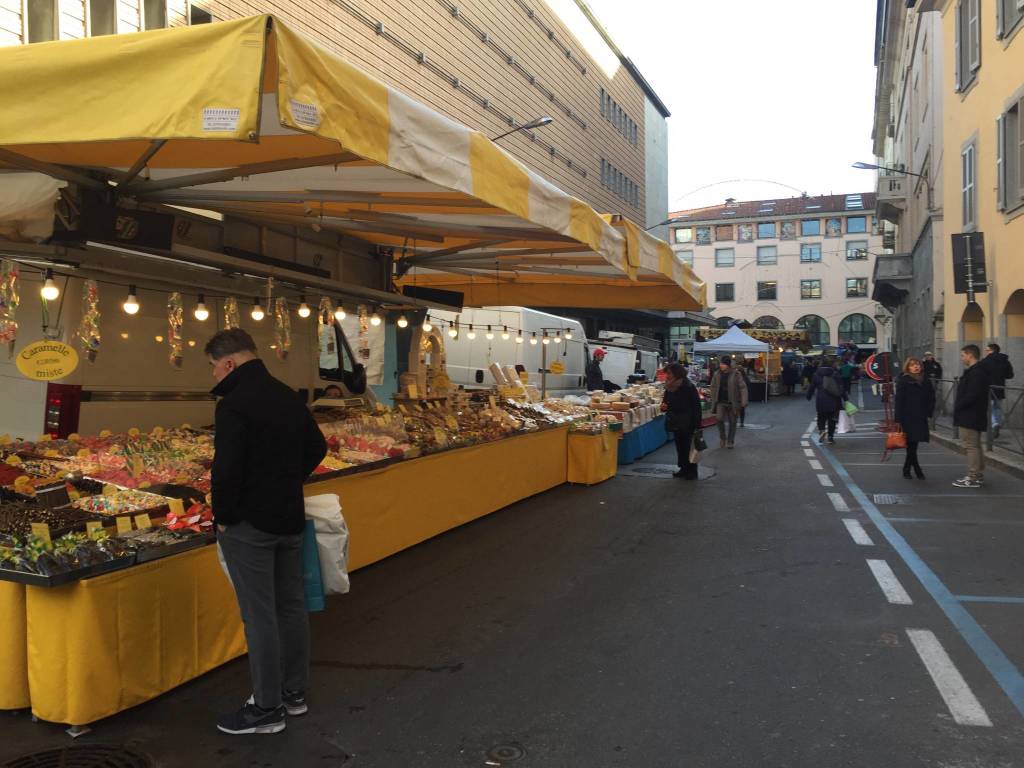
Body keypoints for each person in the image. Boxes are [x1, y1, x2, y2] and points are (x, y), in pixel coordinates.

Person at [206, 329, 328, 735]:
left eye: (213, 368)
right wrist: (286, 481)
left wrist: (223, 515)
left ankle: (266, 708)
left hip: (249, 525)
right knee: (291, 608)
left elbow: (225, 471)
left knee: (259, 616)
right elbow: (318, 448)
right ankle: (294, 694)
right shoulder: (287, 395)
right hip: (288, 518)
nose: (214, 377)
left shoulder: (234, 405)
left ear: (228, 363)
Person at [952, 344, 990, 488]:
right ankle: (978, 475)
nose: (962, 359)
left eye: (963, 355)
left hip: (970, 414)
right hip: (975, 413)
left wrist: (959, 405)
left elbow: (972, 394)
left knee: (971, 446)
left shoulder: (976, 372)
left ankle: (973, 476)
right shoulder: (979, 371)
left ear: (969, 355)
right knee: (976, 445)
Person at [894, 357, 935, 479]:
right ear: (908, 367)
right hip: (908, 417)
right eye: (912, 365)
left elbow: (932, 397)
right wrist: (898, 419)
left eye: (917, 364)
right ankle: (916, 469)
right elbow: (899, 401)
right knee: (911, 444)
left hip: (920, 416)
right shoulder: (904, 380)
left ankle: (908, 468)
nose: (915, 367)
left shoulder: (925, 380)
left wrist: (929, 411)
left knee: (914, 444)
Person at [660, 362, 703, 479]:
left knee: (688, 447)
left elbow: (696, 406)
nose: (667, 375)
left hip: (687, 421)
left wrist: (698, 424)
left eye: (669, 373)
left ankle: (692, 471)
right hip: (675, 420)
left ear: (676, 373)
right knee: (680, 446)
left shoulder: (688, 386)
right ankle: (683, 468)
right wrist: (664, 406)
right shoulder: (669, 386)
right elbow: (665, 401)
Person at [708, 355, 748, 449]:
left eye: (723, 364)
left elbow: (743, 387)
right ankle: (723, 437)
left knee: (733, 422)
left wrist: (744, 401)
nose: (721, 365)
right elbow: (713, 386)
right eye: (721, 363)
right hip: (721, 401)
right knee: (719, 418)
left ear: (728, 365)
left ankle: (730, 441)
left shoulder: (736, 374)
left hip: (733, 402)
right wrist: (713, 396)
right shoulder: (717, 374)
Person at [980, 343, 1014, 438]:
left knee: (988, 408)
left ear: (992, 350)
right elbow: (1010, 375)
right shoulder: (1005, 361)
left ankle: (994, 424)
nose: (986, 352)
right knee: (997, 408)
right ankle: (996, 424)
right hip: (1000, 388)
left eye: (987, 350)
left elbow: (980, 375)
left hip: (988, 388)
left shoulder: (985, 361)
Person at [807, 358, 844, 444]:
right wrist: (845, 398)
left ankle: (822, 431)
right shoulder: (835, 373)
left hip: (821, 399)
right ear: (831, 365)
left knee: (821, 417)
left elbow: (812, 387)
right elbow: (841, 388)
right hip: (833, 400)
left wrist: (808, 396)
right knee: (832, 419)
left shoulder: (816, 374)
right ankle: (830, 437)